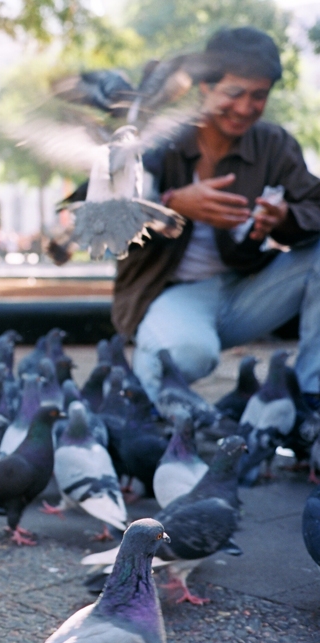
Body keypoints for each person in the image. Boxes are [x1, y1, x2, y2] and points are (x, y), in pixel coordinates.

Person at [114, 27, 320, 407]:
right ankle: (150, 362)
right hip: (173, 294)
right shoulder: (158, 141)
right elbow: (103, 214)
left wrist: (286, 217)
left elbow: (315, 205)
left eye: (258, 96)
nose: (245, 108)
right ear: (204, 88)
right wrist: (172, 205)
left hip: (249, 290)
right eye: (234, 93)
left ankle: (312, 398)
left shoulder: (274, 144)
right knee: (186, 356)